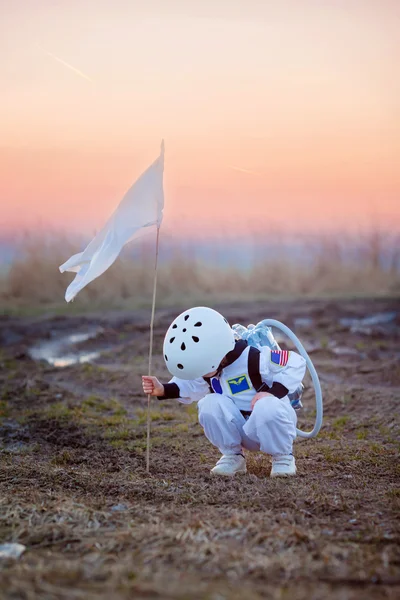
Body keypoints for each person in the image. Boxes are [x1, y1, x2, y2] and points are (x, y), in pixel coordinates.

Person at [142, 307, 306, 477]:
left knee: (267, 405)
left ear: (216, 353)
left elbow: (296, 363)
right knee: (209, 403)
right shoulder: (210, 370)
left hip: (272, 425)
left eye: (201, 369)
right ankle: (233, 456)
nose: (200, 375)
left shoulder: (254, 358)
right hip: (242, 431)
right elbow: (188, 384)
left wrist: (273, 393)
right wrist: (162, 390)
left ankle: (283, 457)